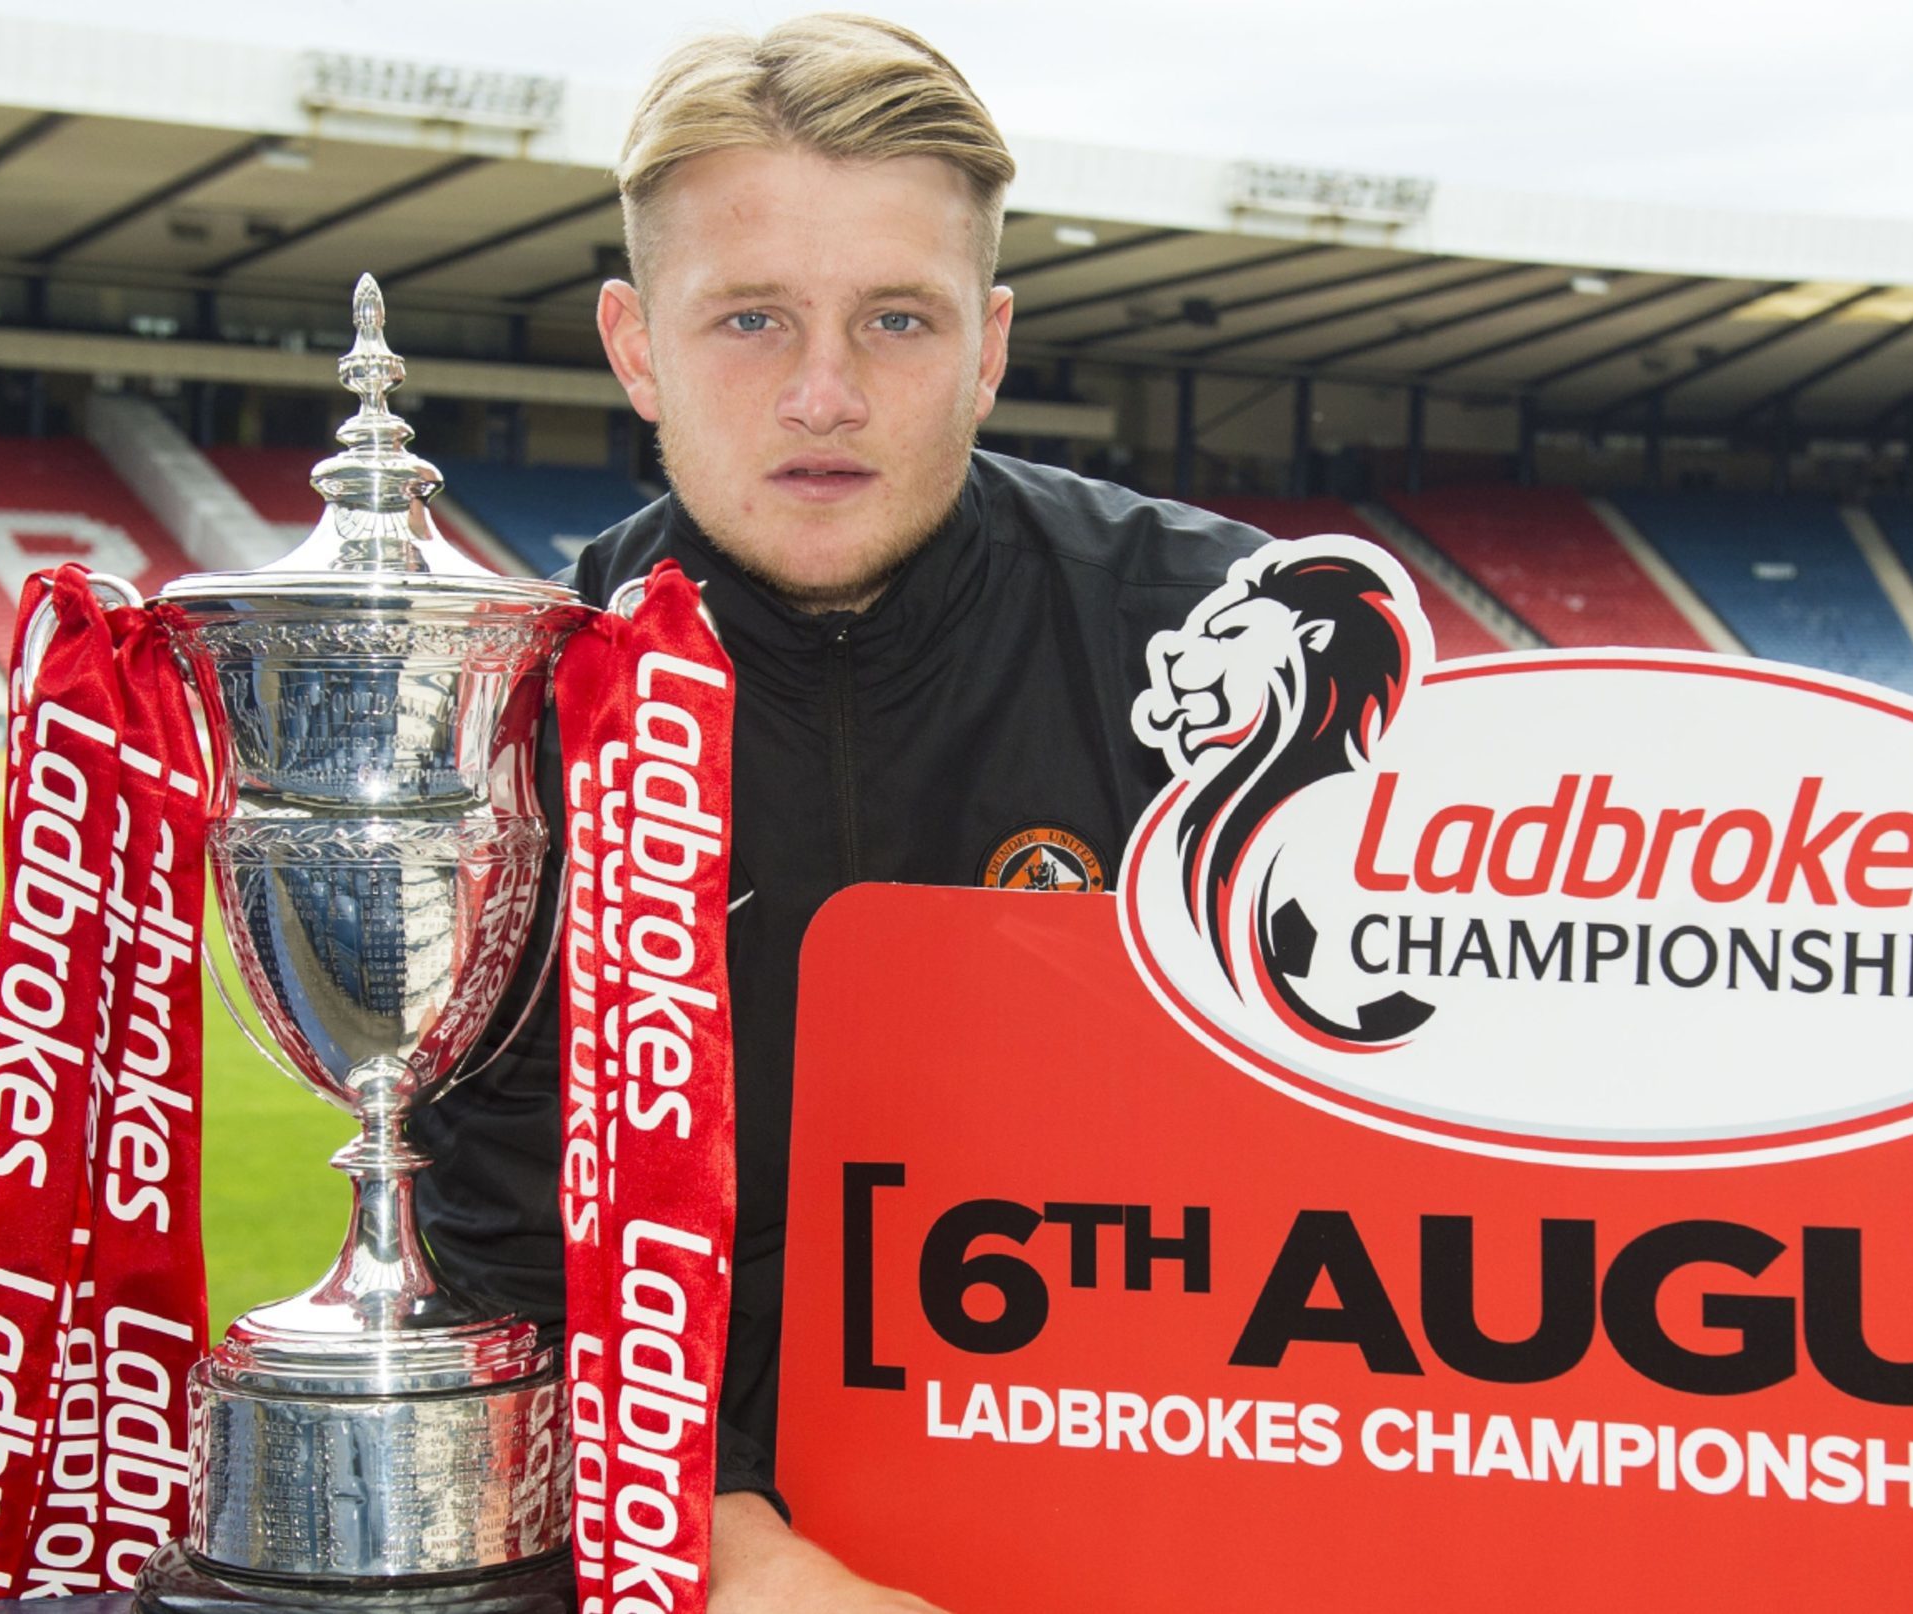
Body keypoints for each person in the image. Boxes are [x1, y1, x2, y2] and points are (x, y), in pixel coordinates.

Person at [409, 15, 1269, 1611]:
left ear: (991, 341)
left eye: (896, 318)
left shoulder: (1220, 643)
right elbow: (508, 1252)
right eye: (748, 318)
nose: (825, 391)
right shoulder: (522, 713)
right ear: (634, 340)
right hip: (693, 1555)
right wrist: (745, 1561)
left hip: (1152, 1524)